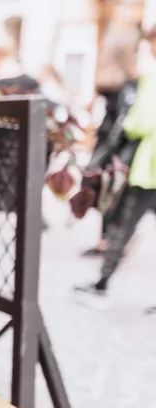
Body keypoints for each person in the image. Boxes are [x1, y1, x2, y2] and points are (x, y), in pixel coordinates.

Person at [75, 27, 156, 311]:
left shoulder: (150, 81)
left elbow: (139, 124)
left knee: (122, 226)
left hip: (148, 169)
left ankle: (101, 285)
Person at [82, 34, 142, 257]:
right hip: (117, 146)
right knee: (111, 191)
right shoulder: (130, 83)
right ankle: (110, 240)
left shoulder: (118, 83)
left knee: (110, 191)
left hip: (112, 146)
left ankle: (112, 240)